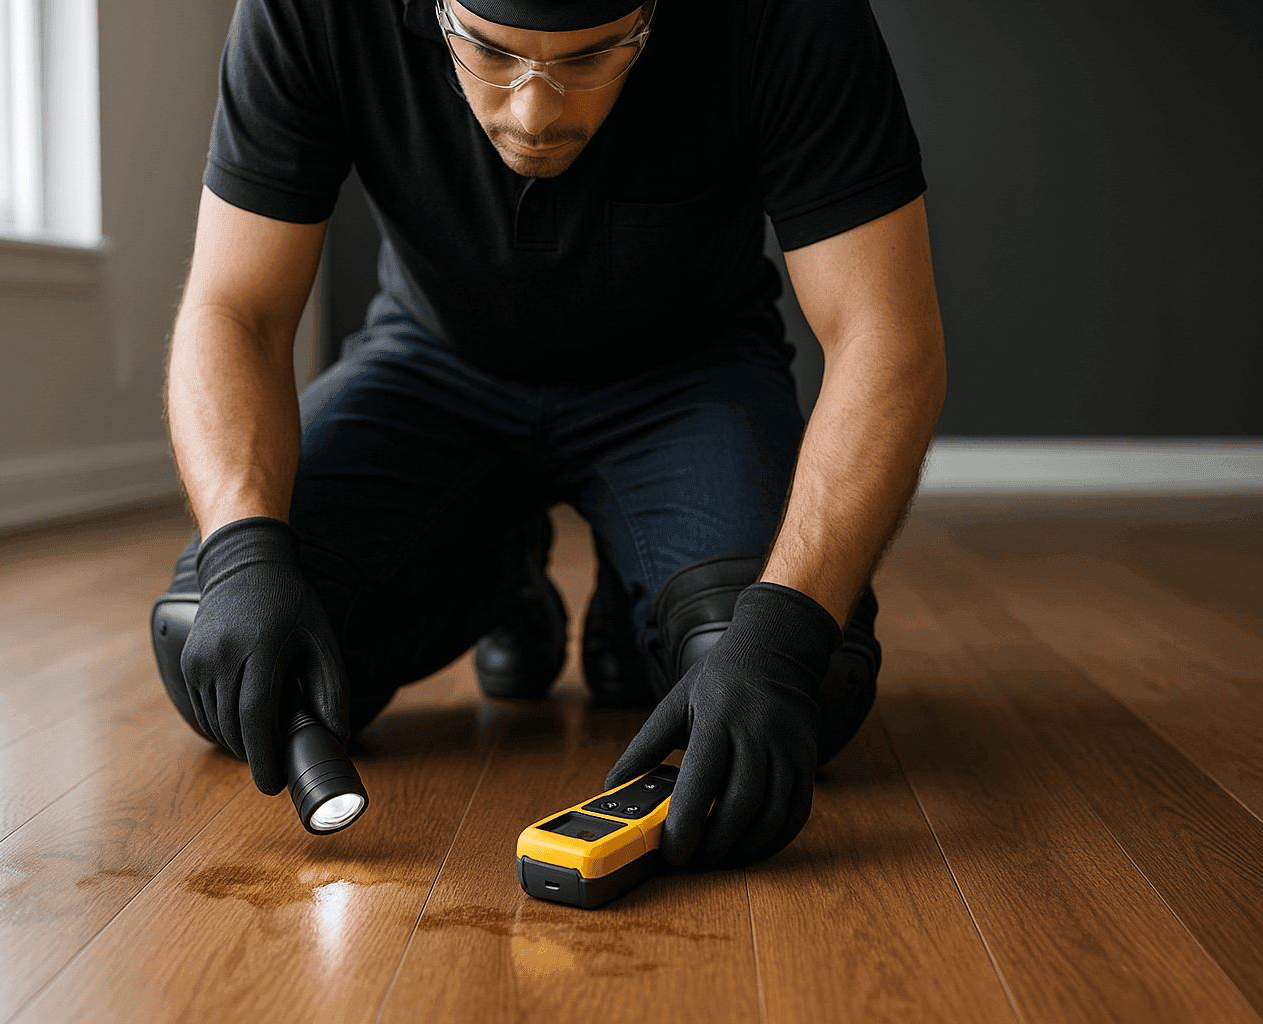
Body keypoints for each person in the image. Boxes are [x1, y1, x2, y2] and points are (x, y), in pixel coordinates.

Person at [150, 0, 946, 868]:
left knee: (805, 695)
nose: (535, 112)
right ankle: (496, 571)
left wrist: (785, 635)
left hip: (686, 379)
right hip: (432, 368)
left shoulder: (789, 16)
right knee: (217, 650)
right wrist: (242, 554)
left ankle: (632, 603)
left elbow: (886, 338)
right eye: (488, 54)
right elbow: (237, 310)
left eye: (594, 56)